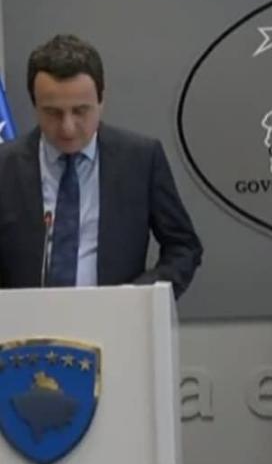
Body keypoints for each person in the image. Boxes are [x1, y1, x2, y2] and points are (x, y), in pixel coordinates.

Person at [0, 34, 202, 296]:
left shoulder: (140, 159)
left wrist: (138, 297)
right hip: (22, 320)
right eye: (53, 113)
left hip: (118, 316)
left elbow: (183, 247)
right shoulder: (5, 167)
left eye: (80, 111)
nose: (68, 128)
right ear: (34, 105)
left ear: (101, 100)